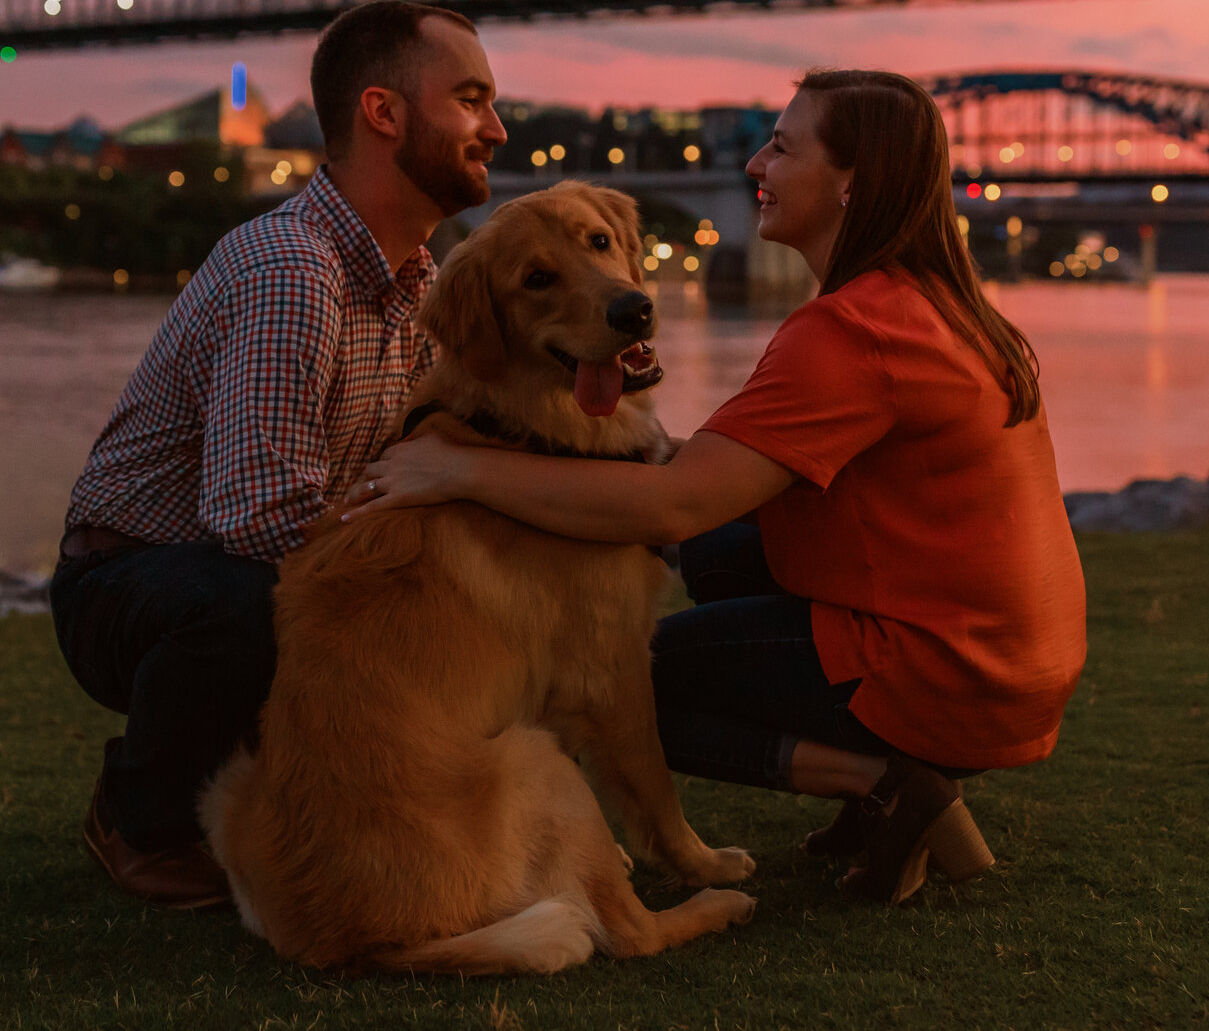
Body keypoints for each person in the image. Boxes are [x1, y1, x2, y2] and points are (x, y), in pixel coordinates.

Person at [344, 69, 1086, 902]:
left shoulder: (849, 333)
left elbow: (675, 501)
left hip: (952, 671)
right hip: (1015, 654)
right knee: (715, 556)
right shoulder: (938, 303)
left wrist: (459, 467)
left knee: (633, 683)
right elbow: (708, 483)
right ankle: (882, 792)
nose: (754, 164)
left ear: (851, 183)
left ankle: (887, 784)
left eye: (782, 146)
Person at [52, 1, 508, 908]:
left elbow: (435, 451)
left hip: (246, 563)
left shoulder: (416, 281)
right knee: (249, 604)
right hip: (135, 587)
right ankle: (140, 815)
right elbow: (258, 520)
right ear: (384, 113)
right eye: (470, 100)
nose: (496, 127)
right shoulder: (292, 270)